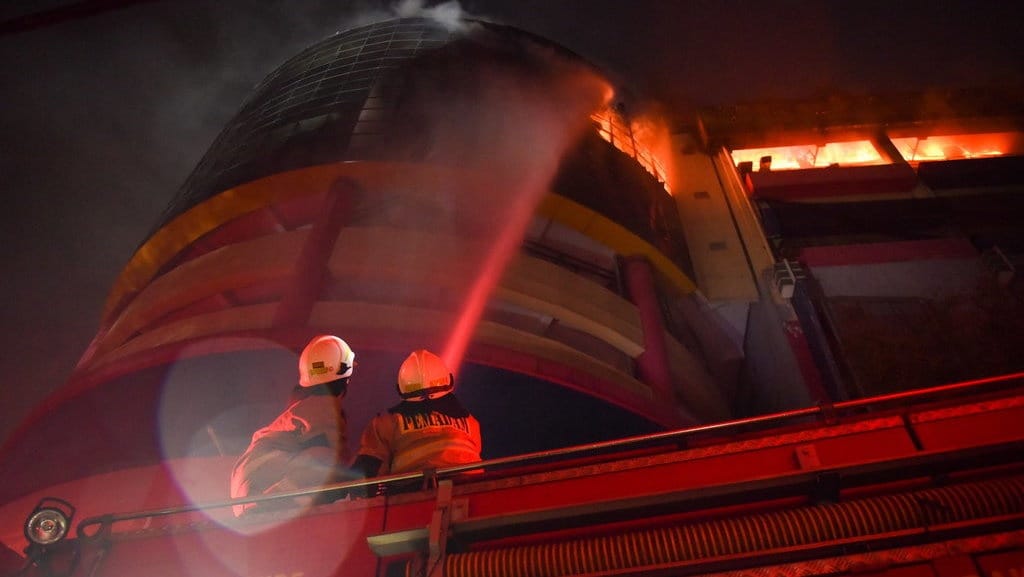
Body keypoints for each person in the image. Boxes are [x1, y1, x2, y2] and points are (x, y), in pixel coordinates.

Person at [229, 335, 355, 515]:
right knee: (331, 463)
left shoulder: (305, 407)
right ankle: (274, 503)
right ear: (346, 376)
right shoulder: (324, 405)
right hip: (261, 497)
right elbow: (326, 461)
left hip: (250, 494)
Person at [350, 349, 482, 485]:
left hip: (412, 497)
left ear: (400, 390)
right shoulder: (470, 421)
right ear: (450, 381)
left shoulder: (386, 423)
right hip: (473, 491)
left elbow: (368, 468)